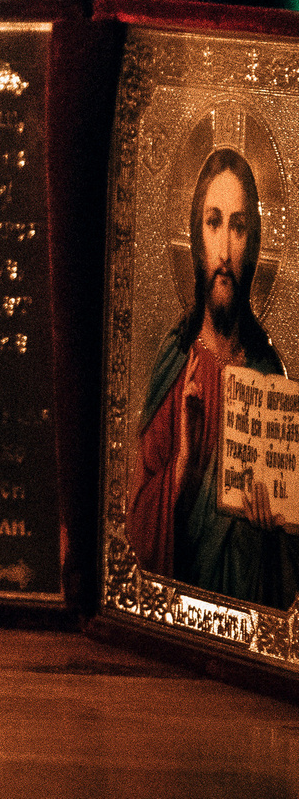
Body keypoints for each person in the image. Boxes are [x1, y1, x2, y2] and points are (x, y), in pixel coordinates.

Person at [127, 146, 298, 606]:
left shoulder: (270, 378)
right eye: (214, 221)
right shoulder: (174, 367)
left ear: (255, 242)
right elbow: (132, 538)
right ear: (196, 235)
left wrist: (274, 529)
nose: (224, 250)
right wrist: (182, 468)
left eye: (239, 227)